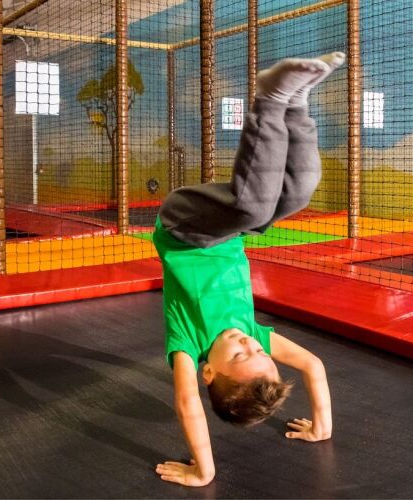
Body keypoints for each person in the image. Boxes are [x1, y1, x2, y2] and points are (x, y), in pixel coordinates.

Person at [153, 52, 345, 487]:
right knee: (297, 195)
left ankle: (270, 98)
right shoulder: (251, 334)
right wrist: (322, 426)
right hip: (226, 233)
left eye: (240, 356)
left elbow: (187, 403)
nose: (248, 343)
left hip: (182, 229)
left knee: (253, 208)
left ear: (208, 372)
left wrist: (204, 471)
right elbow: (313, 365)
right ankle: (296, 103)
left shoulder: (187, 343)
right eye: (259, 352)